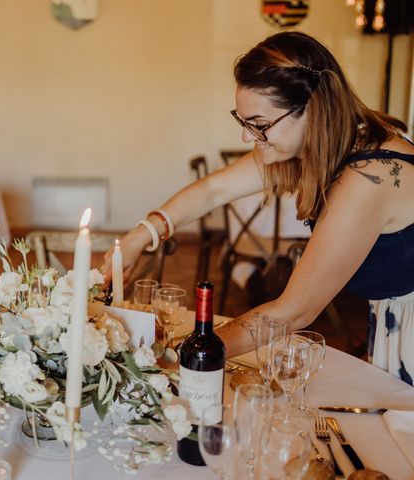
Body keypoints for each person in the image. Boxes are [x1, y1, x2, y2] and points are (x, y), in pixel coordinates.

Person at [103, 31, 414, 385]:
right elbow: (214, 189)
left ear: (313, 110)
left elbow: (293, 311)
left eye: (261, 126)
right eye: (244, 122)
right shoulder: (334, 138)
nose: (248, 138)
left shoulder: (366, 178)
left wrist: (189, 352)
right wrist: (138, 237)